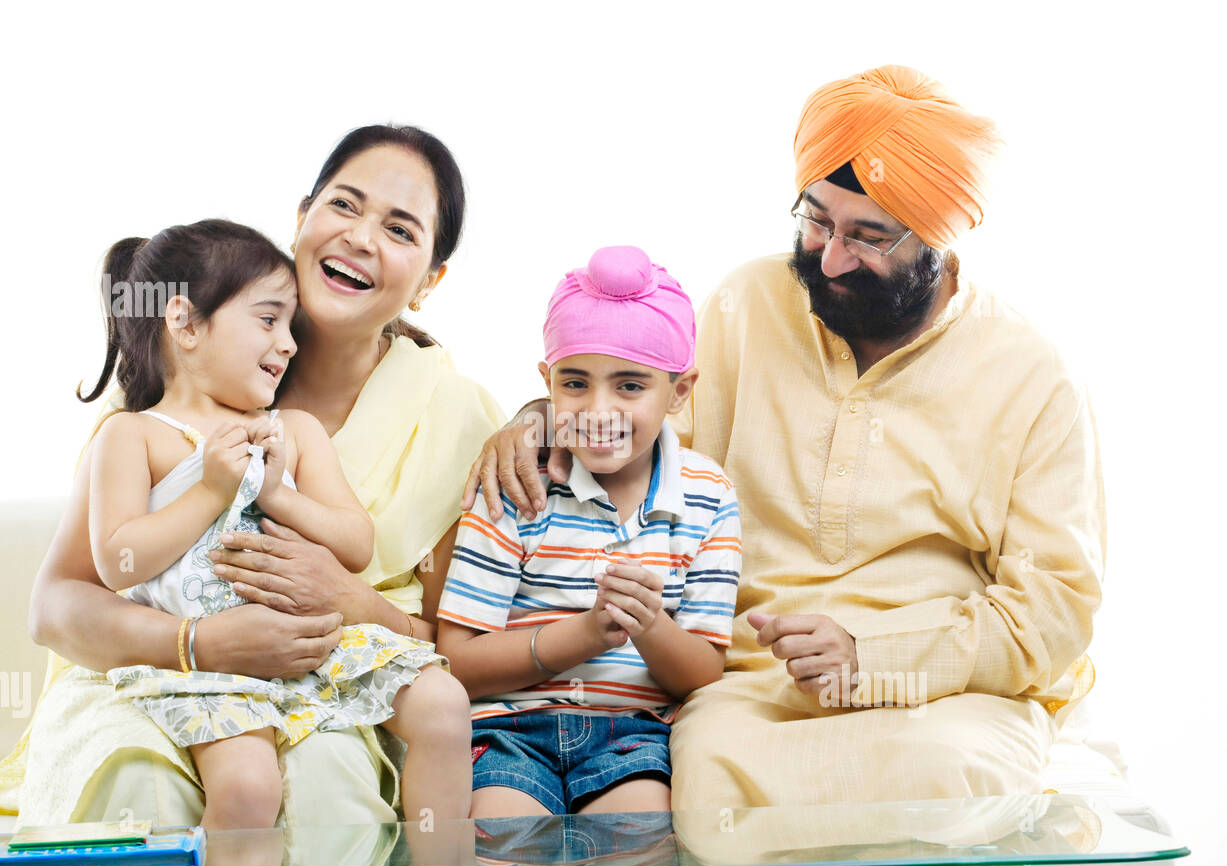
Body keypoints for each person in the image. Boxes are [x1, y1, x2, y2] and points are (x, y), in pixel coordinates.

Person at [464, 65, 1105, 807]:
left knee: (943, 786)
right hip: (751, 683)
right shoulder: (748, 303)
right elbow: (637, 439)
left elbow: (1056, 608)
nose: (829, 258)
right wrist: (539, 416)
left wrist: (872, 657)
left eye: (868, 236)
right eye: (815, 220)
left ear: (940, 239)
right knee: (705, 796)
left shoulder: (1033, 374)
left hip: (943, 693)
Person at [0, 126, 503, 845]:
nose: (360, 237)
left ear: (430, 279)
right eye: (344, 205)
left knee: (329, 780)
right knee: (138, 778)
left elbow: (460, 645)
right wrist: (200, 642)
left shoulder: (460, 418)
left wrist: (346, 599)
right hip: (149, 662)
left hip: (331, 668)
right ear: (302, 217)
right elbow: (60, 602)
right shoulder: (166, 396)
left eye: (399, 228)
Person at [78, 219, 468, 831]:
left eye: (290, 325)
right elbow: (116, 559)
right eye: (268, 320)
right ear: (182, 322)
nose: (289, 344)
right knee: (248, 786)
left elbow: (356, 545)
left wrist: (276, 493)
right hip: (211, 667)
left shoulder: (295, 430)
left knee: (444, 702)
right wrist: (211, 489)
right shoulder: (133, 436)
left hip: (313, 648)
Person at [436, 246, 742, 821]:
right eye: (575, 383)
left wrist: (648, 626)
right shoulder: (517, 483)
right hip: (508, 730)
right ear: (547, 382)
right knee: (502, 837)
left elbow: (702, 673)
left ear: (679, 391)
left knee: (639, 836)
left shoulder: (708, 495)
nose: (599, 410)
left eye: (630, 386)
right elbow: (456, 663)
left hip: (635, 736)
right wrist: (582, 636)